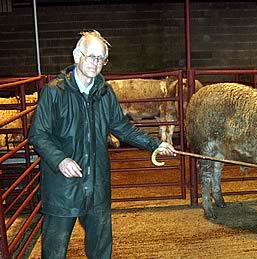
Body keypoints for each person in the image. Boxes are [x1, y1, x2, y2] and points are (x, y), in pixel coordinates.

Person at [28, 30, 176, 259]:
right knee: (55, 249)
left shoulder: (105, 94)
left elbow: (122, 127)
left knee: (101, 249)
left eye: (101, 59)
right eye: (91, 56)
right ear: (77, 55)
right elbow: (39, 134)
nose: (95, 63)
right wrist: (60, 160)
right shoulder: (54, 93)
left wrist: (155, 144)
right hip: (62, 187)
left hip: (96, 185)